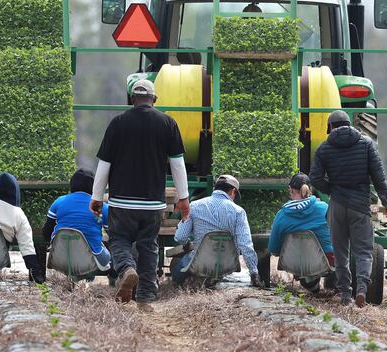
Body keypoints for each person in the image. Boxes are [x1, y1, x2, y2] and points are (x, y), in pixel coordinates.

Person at [90, 75, 190, 304]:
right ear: (154, 99)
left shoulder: (117, 123)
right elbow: (177, 164)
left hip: (121, 201)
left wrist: (96, 197)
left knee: (119, 240)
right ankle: (146, 292)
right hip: (153, 203)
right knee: (148, 245)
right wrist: (183, 199)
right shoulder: (168, 123)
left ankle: (126, 269)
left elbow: (104, 165)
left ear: (132, 98)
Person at [310, 110, 387, 307]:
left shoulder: (324, 148)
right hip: (360, 205)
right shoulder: (366, 144)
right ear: (350, 123)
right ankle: (362, 289)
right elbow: (378, 176)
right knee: (363, 251)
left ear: (330, 127)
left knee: (340, 253)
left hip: (337, 205)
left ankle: (346, 295)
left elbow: (315, 178)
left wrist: (332, 189)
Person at [172, 175, 262, 287]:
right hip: (228, 264)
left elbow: (180, 237)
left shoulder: (194, 206)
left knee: (179, 265)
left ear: (215, 188)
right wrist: (254, 273)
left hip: (200, 263)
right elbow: (246, 245)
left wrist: (186, 245)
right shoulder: (239, 212)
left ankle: (177, 286)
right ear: (233, 191)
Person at [43, 169, 115, 279]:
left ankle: (75, 280)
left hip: (60, 257)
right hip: (90, 260)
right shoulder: (100, 206)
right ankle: (108, 277)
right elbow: (113, 234)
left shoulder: (59, 201)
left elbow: (46, 231)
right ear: (93, 186)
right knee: (110, 250)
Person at [268, 173, 334, 293]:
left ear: (291, 190)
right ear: (311, 190)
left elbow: (273, 248)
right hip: (326, 261)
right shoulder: (324, 208)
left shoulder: (282, 214)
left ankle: (311, 286)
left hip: (295, 263)